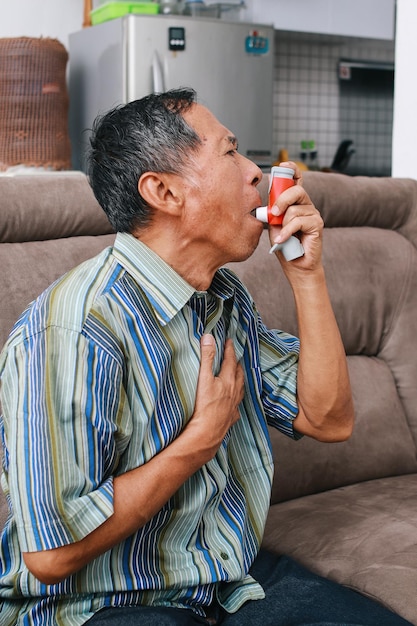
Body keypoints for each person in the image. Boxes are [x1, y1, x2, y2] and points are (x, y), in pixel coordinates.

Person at [0, 88, 410, 626]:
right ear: (164, 191)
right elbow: (51, 556)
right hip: (100, 606)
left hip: (226, 585)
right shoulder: (73, 329)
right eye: (230, 152)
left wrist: (307, 275)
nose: (255, 172)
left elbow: (327, 419)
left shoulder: (221, 297)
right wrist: (201, 439)